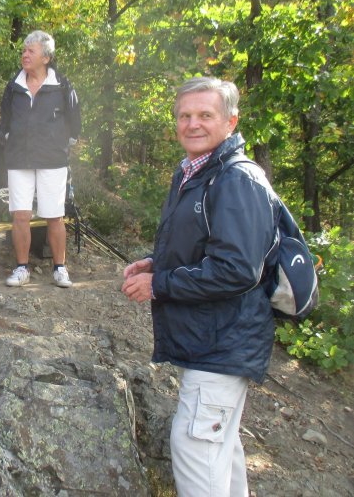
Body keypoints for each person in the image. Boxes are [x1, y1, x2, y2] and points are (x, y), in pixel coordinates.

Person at [121, 77, 278, 496]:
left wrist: (160, 284)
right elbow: (209, 247)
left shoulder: (236, 179)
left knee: (196, 449)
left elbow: (237, 270)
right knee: (219, 450)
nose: (192, 124)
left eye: (205, 115)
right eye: (185, 115)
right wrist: (157, 263)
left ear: (230, 122)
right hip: (214, 335)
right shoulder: (197, 171)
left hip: (225, 339)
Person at [0, 30, 81, 288]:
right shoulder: (14, 86)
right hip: (19, 158)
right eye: (23, 51)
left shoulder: (63, 85)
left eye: (30, 51)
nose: (24, 55)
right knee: (20, 216)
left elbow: (75, 122)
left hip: (53, 159)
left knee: (54, 216)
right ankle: (21, 268)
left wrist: (62, 144)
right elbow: (5, 119)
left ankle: (60, 268)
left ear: (46, 57)